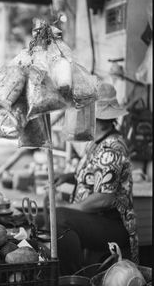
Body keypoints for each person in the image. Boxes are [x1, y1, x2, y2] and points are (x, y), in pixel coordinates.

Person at [49, 83, 139, 275]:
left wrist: (69, 209)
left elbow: (104, 198)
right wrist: (69, 177)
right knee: (51, 215)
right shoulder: (97, 142)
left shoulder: (112, 148)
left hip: (113, 224)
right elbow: (94, 176)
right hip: (96, 219)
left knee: (60, 218)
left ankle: (73, 277)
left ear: (95, 117)